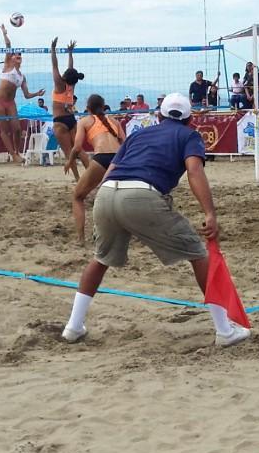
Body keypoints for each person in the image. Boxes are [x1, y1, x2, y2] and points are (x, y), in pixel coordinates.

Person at [60, 93, 248, 348]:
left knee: (100, 259)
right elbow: (194, 171)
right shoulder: (189, 135)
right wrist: (210, 213)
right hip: (141, 193)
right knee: (199, 255)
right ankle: (225, 331)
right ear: (190, 119)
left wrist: (107, 202)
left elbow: (113, 169)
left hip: (106, 193)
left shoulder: (138, 134)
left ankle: (73, 327)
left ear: (159, 115)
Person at [65, 93, 126, 243]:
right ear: (104, 106)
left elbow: (77, 147)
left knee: (77, 196)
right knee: (114, 197)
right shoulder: (114, 121)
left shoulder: (85, 121)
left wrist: (69, 161)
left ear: (87, 108)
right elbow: (126, 144)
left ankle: (80, 239)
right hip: (119, 160)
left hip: (102, 158)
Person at [0, 24, 43, 164]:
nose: (18, 56)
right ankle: (13, 155)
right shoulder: (8, 65)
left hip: (10, 102)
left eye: (20, 55)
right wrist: (4, 33)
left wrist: (37, 93)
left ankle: (16, 152)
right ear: (12, 58)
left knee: (16, 129)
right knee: (4, 129)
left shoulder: (22, 76)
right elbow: (8, 45)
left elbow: (26, 95)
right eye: (16, 55)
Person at [49, 38, 86, 180]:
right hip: (71, 119)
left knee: (68, 152)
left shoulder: (60, 84)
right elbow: (71, 69)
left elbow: (54, 66)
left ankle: (78, 179)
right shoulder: (71, 85)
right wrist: (70, 53)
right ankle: (90, 174)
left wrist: (53, 49)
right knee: (79, 150)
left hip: (60, 121)